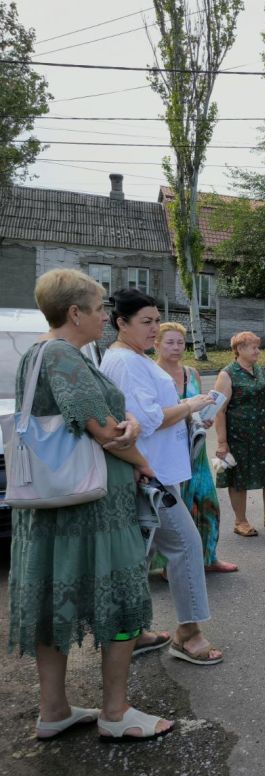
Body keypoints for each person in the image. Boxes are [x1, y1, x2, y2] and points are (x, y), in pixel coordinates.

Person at [8, 269, 172, 741]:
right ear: (74, 312)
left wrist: (126, 426)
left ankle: (54, 709)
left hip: (54, 509)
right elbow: (105, 431)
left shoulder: (38, 354)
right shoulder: (63, 354)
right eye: (100, 308)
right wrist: (141, 456)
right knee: (119, 600)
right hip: (93, 510)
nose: (105, 316)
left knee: (53, 602)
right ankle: (116, 712)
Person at [101, 288, 224, 666]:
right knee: (185, 545)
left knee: (144, 551)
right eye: (146, 322)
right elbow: (149, 419)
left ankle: (133, 631)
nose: (154, 329)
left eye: (157, 320)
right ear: (121, 323)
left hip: (155, 472)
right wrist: (189, 405)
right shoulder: (126, 362)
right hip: (149, 475)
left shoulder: (134, 357)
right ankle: (188, 634)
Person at [154, 322, 237, 573]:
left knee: (206, 502)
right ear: (156, 344)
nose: (176, 347)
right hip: (167, 450)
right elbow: (154, 416)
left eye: (180, 342)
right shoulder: (152, 374)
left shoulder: (192, 372)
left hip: (194, 448)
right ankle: (171, 566)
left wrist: (205, 417)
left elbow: (196, 407)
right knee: (174, 511)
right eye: (169, 342)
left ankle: (208, 557)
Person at [214, 331, 265, 536]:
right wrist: (222, 442)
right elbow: (219, 410)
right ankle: (240, 521)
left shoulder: (259, 369)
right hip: (239, 436)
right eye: (254, 347)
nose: (258, 351)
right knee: (239, 478)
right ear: (239, 349)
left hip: (264, 433)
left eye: (258, 346)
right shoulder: (227, 374)